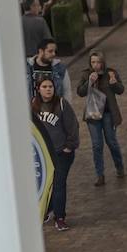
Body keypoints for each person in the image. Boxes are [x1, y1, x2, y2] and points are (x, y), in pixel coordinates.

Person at [31, 77, 79, 231]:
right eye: (44, 86)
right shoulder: (33, 106)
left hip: (61, 153)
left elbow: (73, 126)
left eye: (50, 86)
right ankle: (47, 209)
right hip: (44, 155)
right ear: (38, 88)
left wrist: (69, 146)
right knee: (46, 183)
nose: (48, 89)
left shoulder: (62, 104)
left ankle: (60, 217)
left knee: (58, 184)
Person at [76, 51, 125, 186]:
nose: (96, 65)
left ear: (103, 62)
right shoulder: (86, 74)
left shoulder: (110, 73)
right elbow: (80, 92)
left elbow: (121, 90)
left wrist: (114, 83)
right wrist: (89, 82)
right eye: (93, 62)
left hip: (108, 114)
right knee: (97, 145)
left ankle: (119, 167)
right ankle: (100, 175)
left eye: (98, 62)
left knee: (111, 142)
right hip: (93, 114)